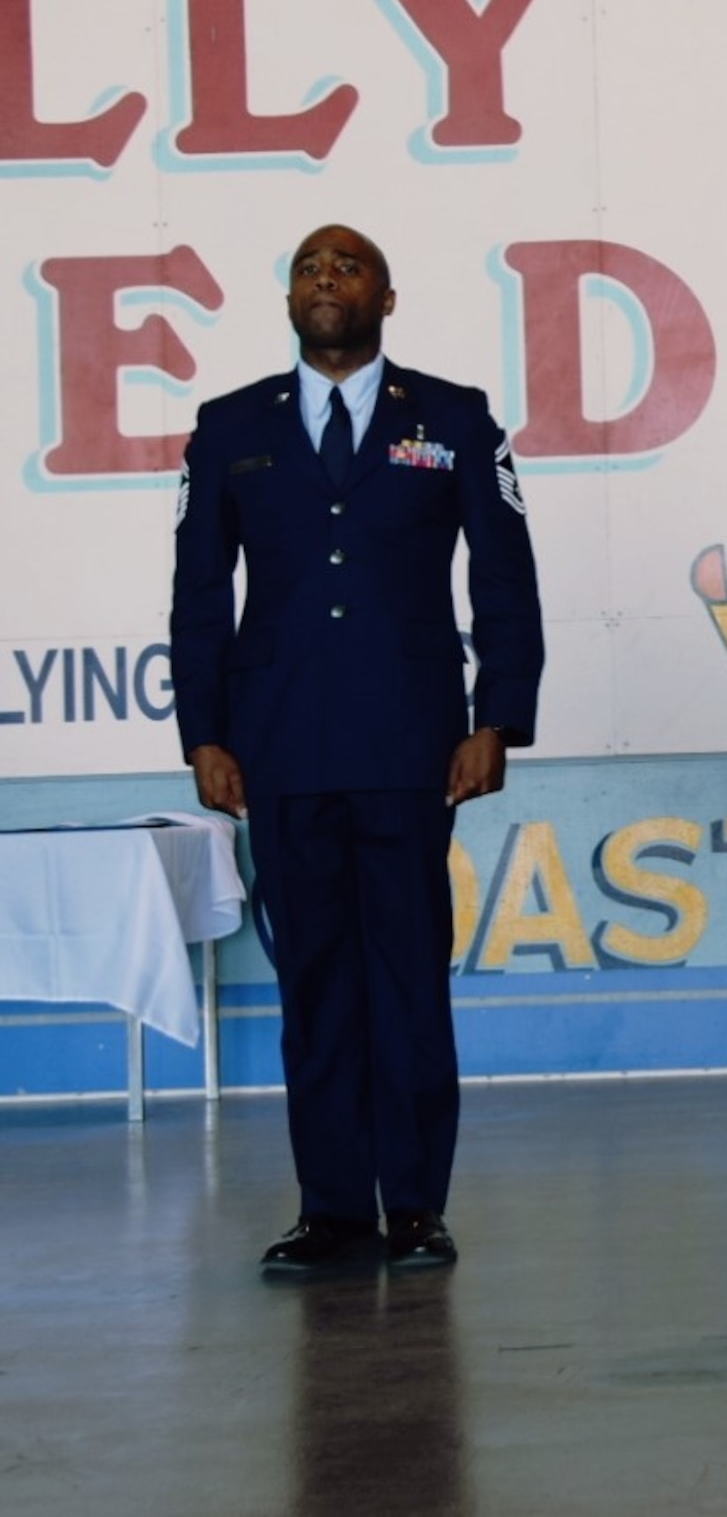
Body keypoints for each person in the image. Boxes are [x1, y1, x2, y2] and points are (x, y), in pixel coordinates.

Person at [171, 224, 544, 1275]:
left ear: (387, 298)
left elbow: (504, 579)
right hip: (281, 746)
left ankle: (415, 1204)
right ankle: (333, 1207)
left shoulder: (457, 420)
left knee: (407, 981)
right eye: (307, 267)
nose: (325, 279)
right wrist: (204, 733)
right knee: (318, 985)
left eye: (348, 267)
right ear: (289, 297)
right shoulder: (230, 426)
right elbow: (200, 597)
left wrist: (496, 717)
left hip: (411, 746)